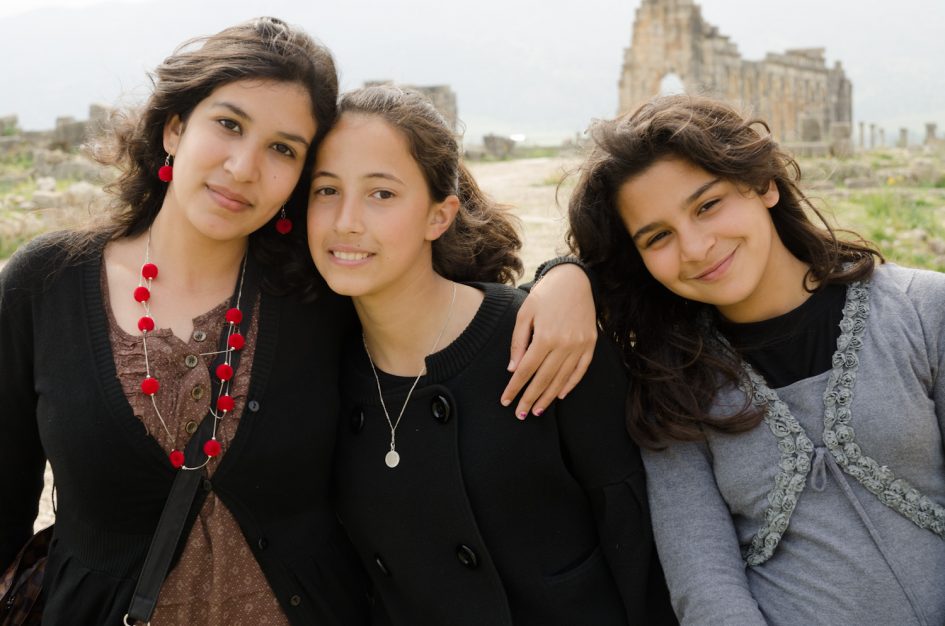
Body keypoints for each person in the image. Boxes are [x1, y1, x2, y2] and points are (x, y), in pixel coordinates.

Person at [0, 17, 595, 625]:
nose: (243, 167)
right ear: (175, 127)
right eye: (229, 124)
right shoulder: (45, 284)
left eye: (283, 149)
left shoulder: (316, 288)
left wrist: (567, 275)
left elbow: (441, 305)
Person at [566, 94, 945, 625]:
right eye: (658, 237)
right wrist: (563, 277)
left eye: (707, 205)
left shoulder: (924, 310)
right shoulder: (670, 385)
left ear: (764, 183)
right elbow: (704, 582)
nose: (695, 247)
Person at [306, 84, 674, 626]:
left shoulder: (542, 339)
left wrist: (570, 273)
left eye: (381, 193)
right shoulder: (319, 368)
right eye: (326, 190)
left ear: (439, 216)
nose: (346, 221)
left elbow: (640, 545)